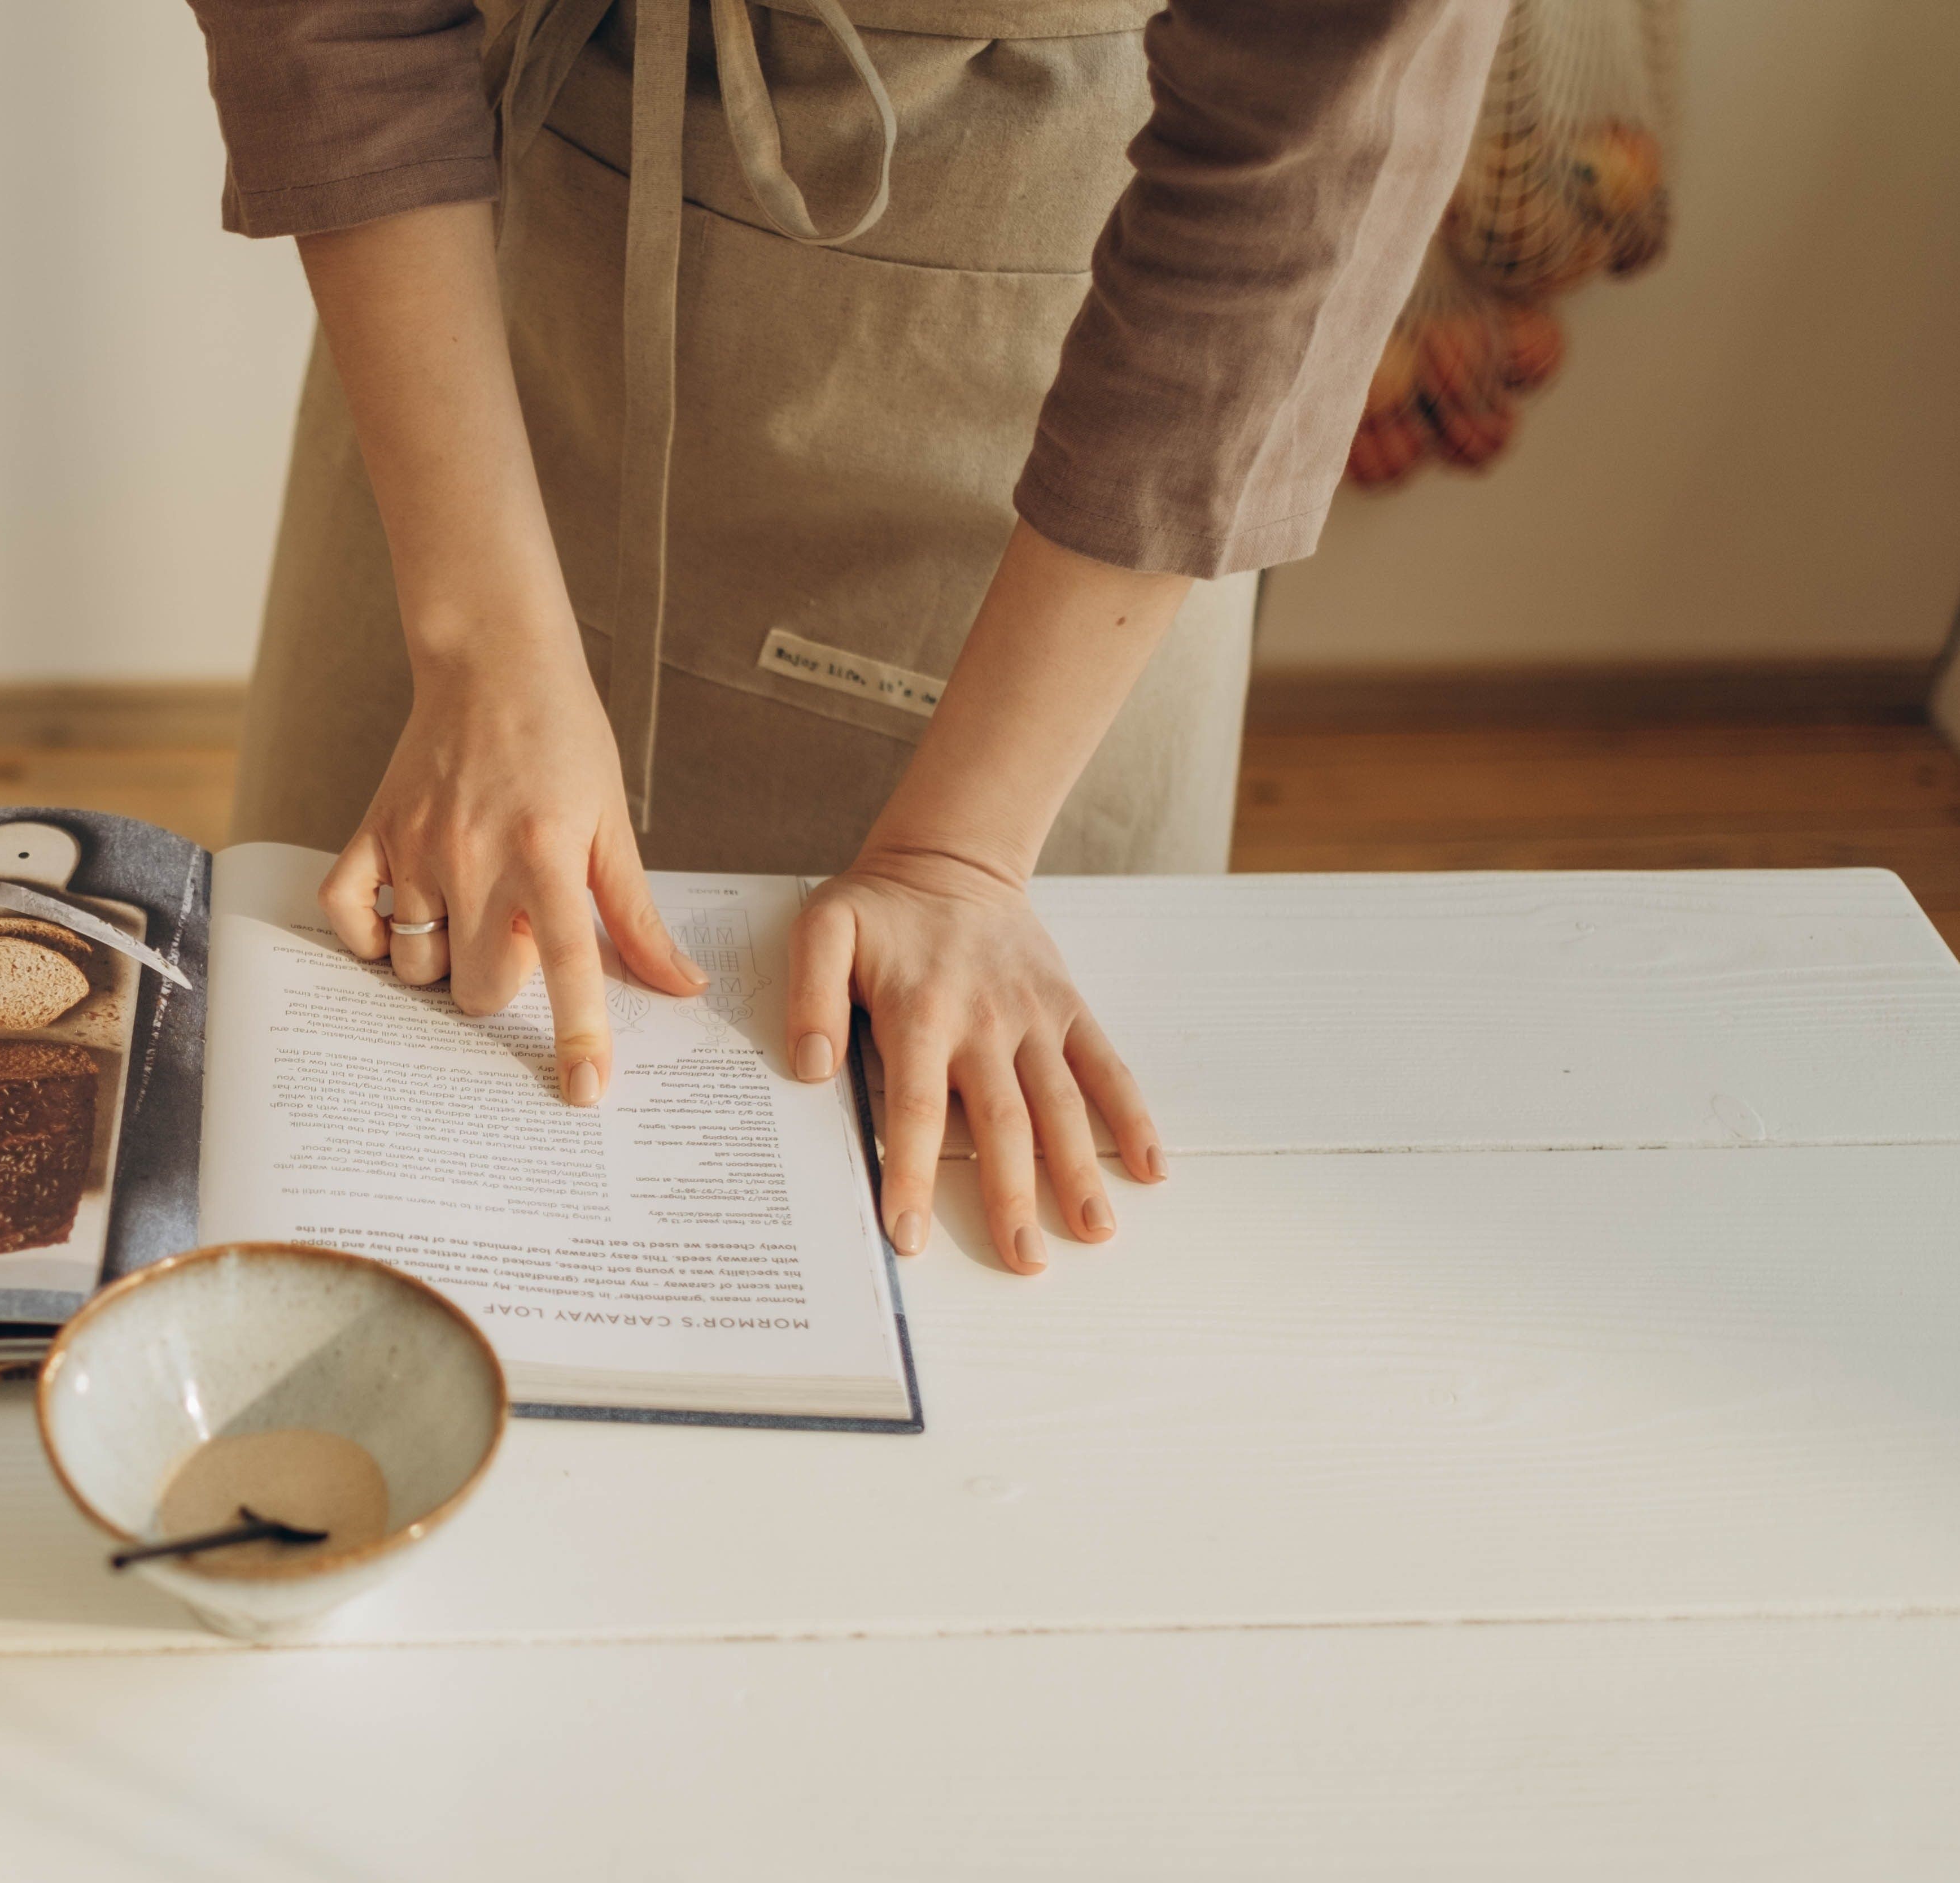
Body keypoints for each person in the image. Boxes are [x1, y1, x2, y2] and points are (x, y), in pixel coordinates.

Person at [183, 0, 1503, 1274]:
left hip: (1067, 409)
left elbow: (1324, 113)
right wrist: (480, 649)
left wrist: (960, 856)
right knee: (312, 1161)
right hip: (481, 324)